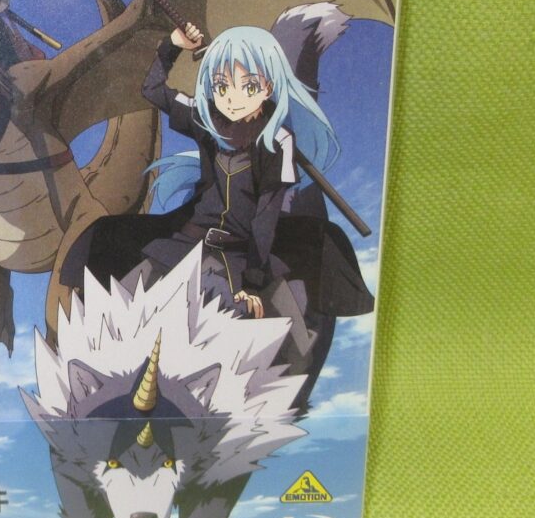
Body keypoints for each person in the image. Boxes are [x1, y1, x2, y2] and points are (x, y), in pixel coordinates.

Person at [62, 21, 371, 368]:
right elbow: (152, 89)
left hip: (242, 252)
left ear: (268, 86)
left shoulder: (277, 141)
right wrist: (173, 46)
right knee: (121, 287)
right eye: (222, 86)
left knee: (282, 334)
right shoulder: (205, 118)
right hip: (188, 239)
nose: (232, 99)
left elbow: (265, 216)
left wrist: (252, 282)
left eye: (248, 86)